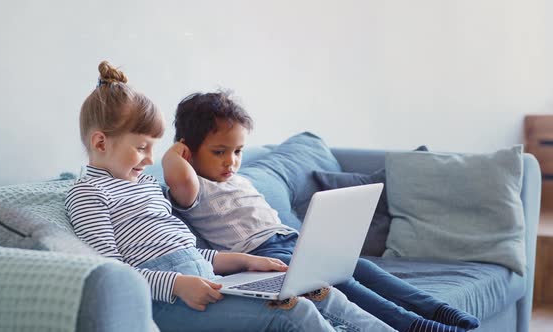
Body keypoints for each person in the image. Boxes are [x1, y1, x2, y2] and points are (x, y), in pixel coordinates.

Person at [65, 61, 395, 332]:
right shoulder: (89, 193)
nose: (150, 159)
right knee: (292, 313)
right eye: (141, 148)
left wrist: (244, 261)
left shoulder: (145, 186)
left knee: (322, 294)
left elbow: (188, 252)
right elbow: (110, 272)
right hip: (162, 301)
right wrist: (176, 284)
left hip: (202, 279)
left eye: (153, 148)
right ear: (100, 143)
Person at [163, 91, 481, 332]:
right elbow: (178, 175)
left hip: (290, 239)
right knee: (342, 282)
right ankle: (412, 324)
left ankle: (438, 309)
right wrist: (175, 151)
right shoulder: (193, 188)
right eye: (219, 152)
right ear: (188, 149)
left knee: (362, 268)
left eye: (237, 151)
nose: (230, 161)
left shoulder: (237, 178)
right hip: (262, 255)